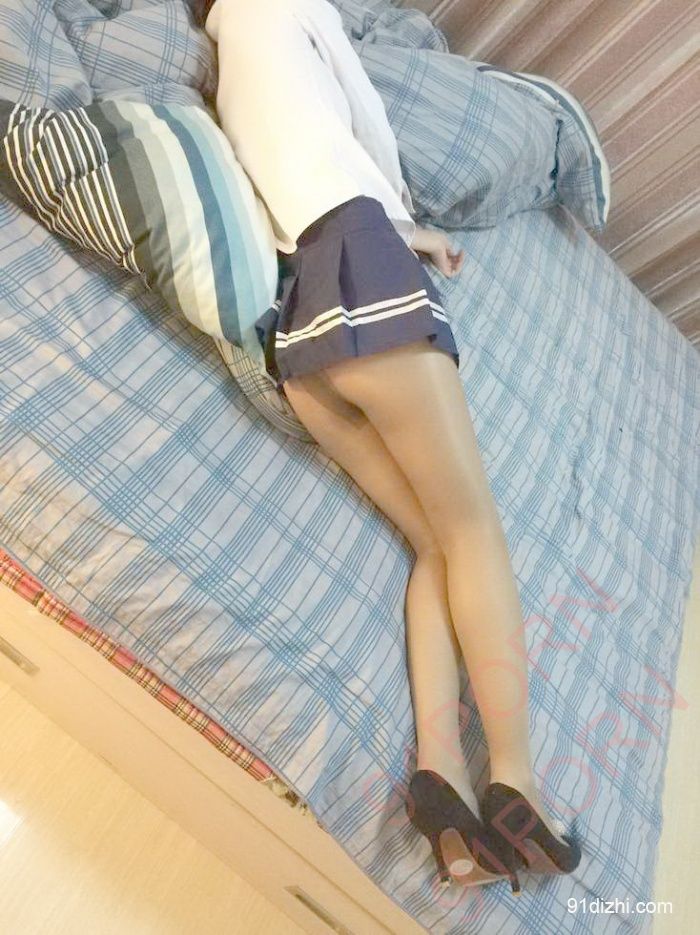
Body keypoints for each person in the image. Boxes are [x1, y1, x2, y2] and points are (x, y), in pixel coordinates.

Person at [197, 0, 581, 892]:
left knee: (434, 544)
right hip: (364, 267)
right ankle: (517, 781)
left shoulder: (227, 64)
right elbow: (364, 131)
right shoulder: (290, 12)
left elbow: (304, 160)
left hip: (301, 324)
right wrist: (405, 225)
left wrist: (408, 234)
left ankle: (442, 780)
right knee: (476, 530)